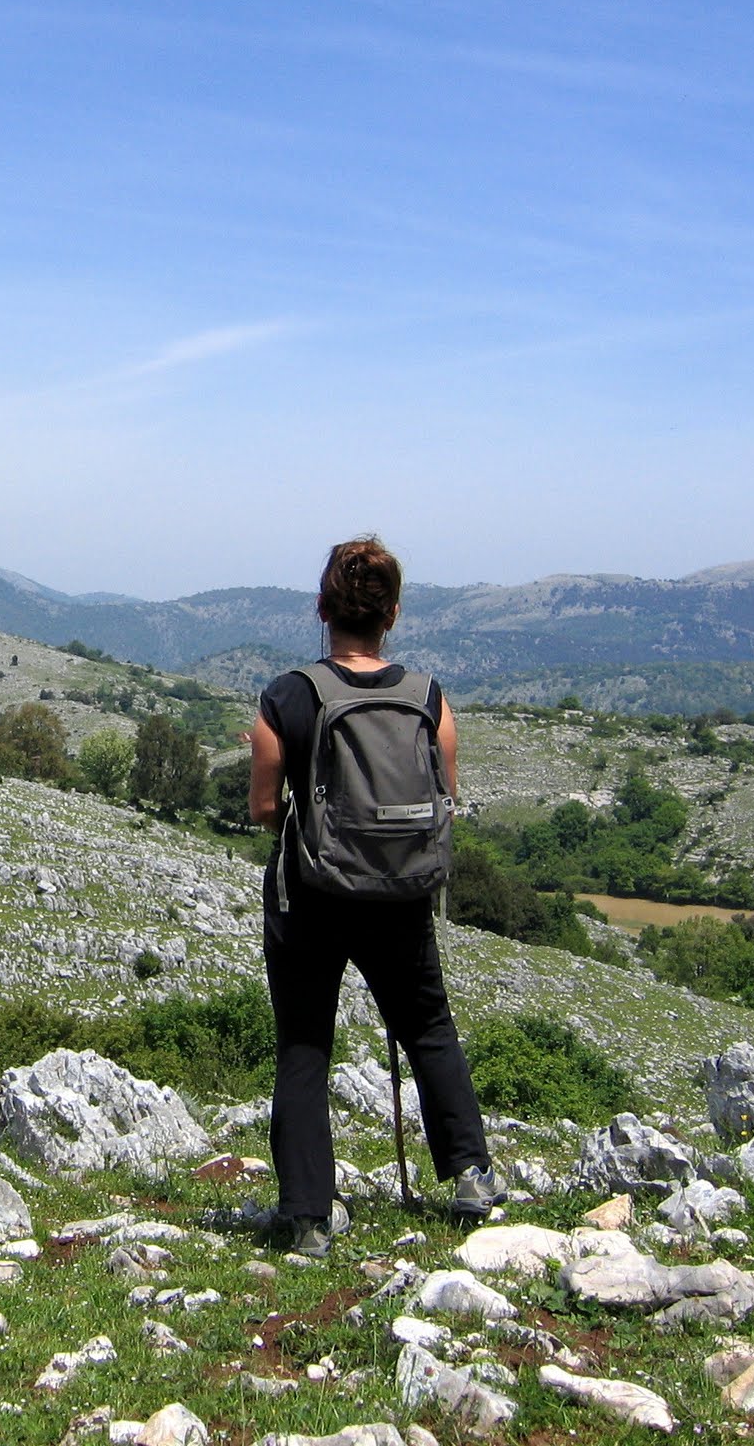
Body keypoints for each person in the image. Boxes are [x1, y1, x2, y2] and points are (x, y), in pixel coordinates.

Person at [248, 535, 504, 1257]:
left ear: (322, 609)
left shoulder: (288, 695)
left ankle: (306, 1218)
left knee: (304, 1046)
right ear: (391, 613)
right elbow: (445, 793)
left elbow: (266, 808)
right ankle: (471, 1176)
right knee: (428, 1027)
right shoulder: (427, 697)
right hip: (400, 894)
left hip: (312, 893)